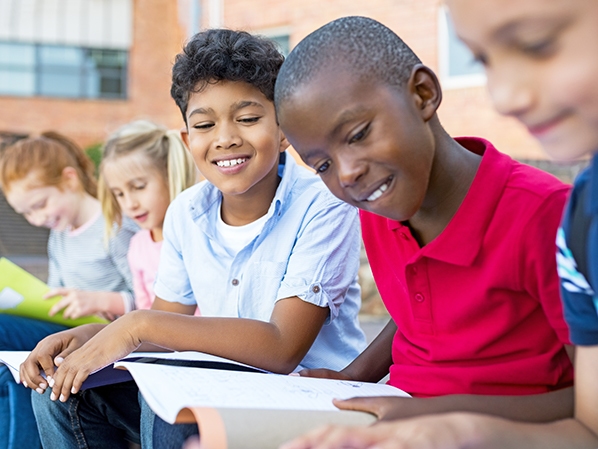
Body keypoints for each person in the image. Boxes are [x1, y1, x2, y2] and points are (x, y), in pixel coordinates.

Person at [22, 29, 367, 449]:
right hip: (218, 386)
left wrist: (138, 323)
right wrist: (91, 337)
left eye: (248, 118)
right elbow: (166, 321)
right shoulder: (187, 211)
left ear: (284, 130)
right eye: (205, 124)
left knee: (175, 409)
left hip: (305, 396)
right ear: (188, 139)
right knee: (63, 391)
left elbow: (282, 348)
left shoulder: (324, 205)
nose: (225, 138)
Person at [279, 3, 598, 448]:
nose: (346, 173)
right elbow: (416, 312)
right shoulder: (379, 208)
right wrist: (354, 376)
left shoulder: (547, 216)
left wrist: (436, 412)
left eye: (357, 134)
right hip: (395, 412)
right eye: (322, 165)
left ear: (423, 94)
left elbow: (586, 408)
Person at [0, 132, 137, 449]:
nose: (38, 219)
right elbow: (55, 290)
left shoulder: (114, 226)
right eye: (27, 214)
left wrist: (102, 301)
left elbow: (151, 301)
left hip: (106, 334)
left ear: (70, 179)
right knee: (14, 372)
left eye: (40, 205)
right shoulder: (59, 235)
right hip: (65, 329)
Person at [99, 120, 197, 310]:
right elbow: (144, 309)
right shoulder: (137, 245)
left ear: (170, 174)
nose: (130, 204)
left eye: (139, 187)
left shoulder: (197, 237)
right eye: (119, 193)